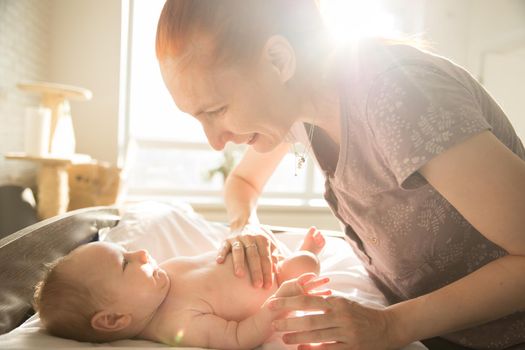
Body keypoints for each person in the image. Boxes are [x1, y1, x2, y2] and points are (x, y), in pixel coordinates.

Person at [154, 0, 525, 349]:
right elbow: (243, 183)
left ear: (278, 60)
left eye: (216, 110)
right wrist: (245, 226)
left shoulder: (401, 97)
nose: (215, 142)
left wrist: (391, 326)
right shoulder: (297, 105)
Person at [33, 227, 329, 348]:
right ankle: (307, 252)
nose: (142, 254)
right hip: (275, 282)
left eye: (129, 250)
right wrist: (276, 305)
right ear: (113, 319)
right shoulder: (176, 324)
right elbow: (237, 338)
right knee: (304, 265)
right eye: (126, 263)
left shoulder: (163, 276)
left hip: (258, 259)